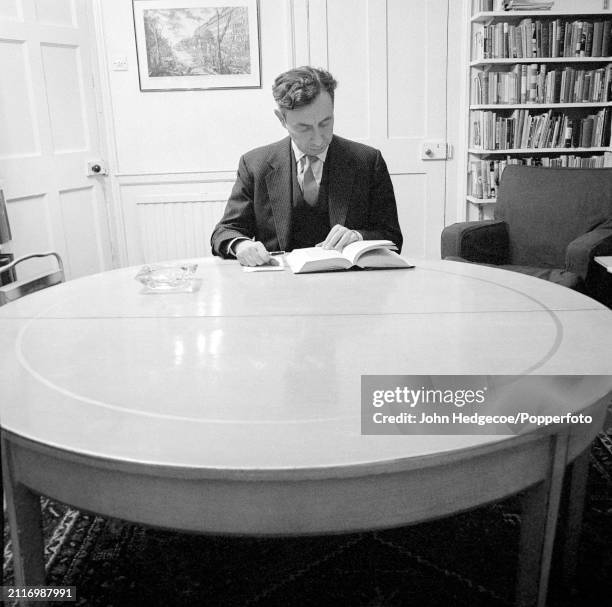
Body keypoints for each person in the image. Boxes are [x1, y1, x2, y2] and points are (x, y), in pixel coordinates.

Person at [210, 66, 403, 266]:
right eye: (304, 127)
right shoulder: (254, 164)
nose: (318, 139)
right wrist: (241, 245)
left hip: (348, 286)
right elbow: (224, 231)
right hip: (279, 287)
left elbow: (393, 237)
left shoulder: (368, 161)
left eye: (325, 122)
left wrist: (358, 236)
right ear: (281, 119)